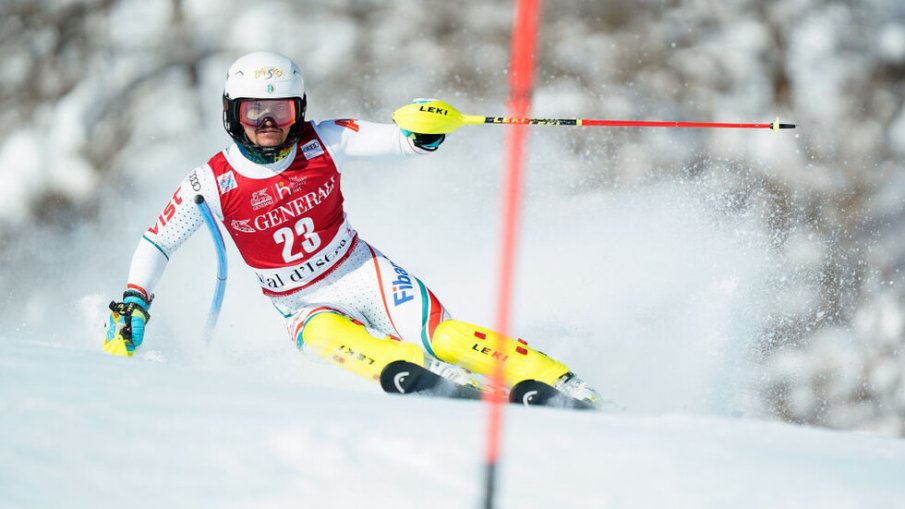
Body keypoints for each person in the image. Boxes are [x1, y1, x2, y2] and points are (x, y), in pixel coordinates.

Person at [104, 51, 599, 405]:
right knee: (324, 336)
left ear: (300, 110)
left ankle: (562, 381)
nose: (269, 124)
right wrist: (134, 300)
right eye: (254, 112)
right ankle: (415, 373)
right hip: (301, 301)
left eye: (282, 111)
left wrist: (426, 132)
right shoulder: (210, 181)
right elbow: (158, 240)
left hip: (364, 272)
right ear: (233, 115)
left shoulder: (325, 139)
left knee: (443, 336)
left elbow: (404, 142)